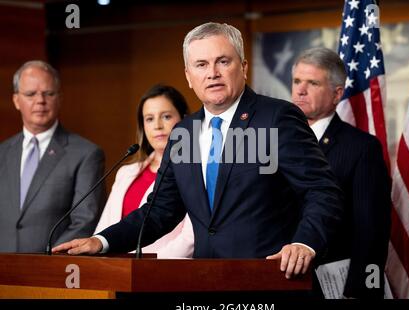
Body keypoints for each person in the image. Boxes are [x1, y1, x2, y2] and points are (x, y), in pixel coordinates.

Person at [53, 22, 344, 280]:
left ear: (243, 67)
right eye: (201, 65)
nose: (213, 73)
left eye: (223, 62)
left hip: (268, 280)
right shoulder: (183, 133)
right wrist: (102, 241)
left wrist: (305, 243)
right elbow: (160, 211)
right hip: (205, 281)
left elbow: (322, 191)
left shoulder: (277, 117)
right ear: (189, 76)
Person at [291, 47, 391, 298]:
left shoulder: (361, 148)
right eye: (296, 81)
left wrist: (362, 289)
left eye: (312, 83)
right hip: (277, 276)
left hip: (332, 285)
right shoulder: (278, 142)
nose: (300, 90)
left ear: (337, 94)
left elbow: (371, 230)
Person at [0, 60, 106, 253]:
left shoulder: (87, 154)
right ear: (16, 100)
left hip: (50, 270)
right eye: (31, 94)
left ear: (60, 98)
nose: (40, 100)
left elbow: (85, 220)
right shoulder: (2, 152)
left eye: (48, 93)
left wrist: (47, 258)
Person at [95, 84, 194, 257]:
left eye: (166, 116)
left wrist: (149, 267)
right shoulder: (126, 172)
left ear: (184, 120)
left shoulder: (195, 171)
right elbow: (105, 226)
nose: (157, 125)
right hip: (118, 271)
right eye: (149, 118)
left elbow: (190, 238)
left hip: (165, 271)